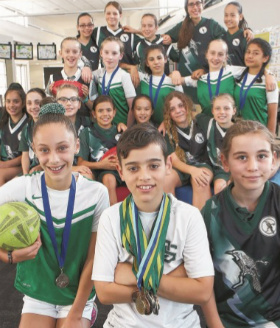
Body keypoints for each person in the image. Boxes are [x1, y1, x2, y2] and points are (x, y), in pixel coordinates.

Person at [92, 123, 214, 328]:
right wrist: (177, 277)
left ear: (168, 165)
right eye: (133, 168)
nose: (144, 176)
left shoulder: (189, 217)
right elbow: (104, 292)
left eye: (153, 166)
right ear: (120, 171)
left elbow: (202, 292)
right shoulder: (111, 218)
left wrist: (131, 274)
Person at [0, 103, 109, 328]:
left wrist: (77, 312)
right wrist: (5, 256)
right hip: (38, 293)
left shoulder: (96, 193)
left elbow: (93, 258)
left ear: (76, 145)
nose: (54, 159)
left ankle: (89, 312)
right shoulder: (23, 187)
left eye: (62, 148)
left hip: (78, 295)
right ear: (34, 150)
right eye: (44, 150)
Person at [201, 120, 280, 327]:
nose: (252, 166)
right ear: (224, 162)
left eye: (261, 156)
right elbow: (203, 280)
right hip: (226, 320)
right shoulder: (210, 213)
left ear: (274, 159)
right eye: (242, 157)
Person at [162, 91, 213, 210]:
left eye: (181, 106)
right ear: (169, 113)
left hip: (202, 165)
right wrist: (191, 170)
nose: (178, 111)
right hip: (182, 168)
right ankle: (170, 223)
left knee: (201, 180)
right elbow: (174, 160)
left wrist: (195, 171)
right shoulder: (167, 131)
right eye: (172, 109)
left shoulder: (201, 121)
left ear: (187, 105)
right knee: (165, 180)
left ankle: (200, 225)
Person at [78, 95, 123, 205]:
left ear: (114, 112)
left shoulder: (121, 131)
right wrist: (102, 165)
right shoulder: (86, 133)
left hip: (119, 172)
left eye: (108, 110)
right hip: (97, 172)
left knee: (110, 177)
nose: (105, 114)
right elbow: (81, 163)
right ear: (94, 114)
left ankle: (120, 216)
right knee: (108, 178)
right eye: (100, 111)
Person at [92, 1, 142, 87]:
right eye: (108, 13)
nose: (111, 16)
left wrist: (137, 31)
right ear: (104, 15)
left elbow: (153, 38)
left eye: (115, 13)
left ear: (120, 15)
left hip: (127, 78)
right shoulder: (98, 32)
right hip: (106, 78)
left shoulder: (129, 33)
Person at [234, 38, 279, 134]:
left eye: (255, 53)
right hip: (237, 132)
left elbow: (272, 116)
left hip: (258, 133)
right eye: (248, 52)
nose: (250, 56)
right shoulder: (238, 73)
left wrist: (269, 142)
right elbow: (218, 67)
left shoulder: (269, 82)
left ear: (265, 58)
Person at [89, 36, 136, 126]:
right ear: (101, 53)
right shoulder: (99, 74)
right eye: (106, 52)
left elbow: (132, 107)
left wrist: (128, 130)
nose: (110, 57)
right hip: (104, 126)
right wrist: (86, 67)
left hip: (121, 126)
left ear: (120, 56)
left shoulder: (124, 76)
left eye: (114, 53)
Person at [200, 93, 236, 194]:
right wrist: (165, 122)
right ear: (212, 111)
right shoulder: (207, 123)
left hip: (236, 169)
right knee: (220, 187)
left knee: (234, 187)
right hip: (218, 169)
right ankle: (217, 210)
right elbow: (185, 117)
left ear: (234, 111)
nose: (222, 112)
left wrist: (233, 177)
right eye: (217, 108)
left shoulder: (240, 130)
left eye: (226, 108)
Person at [56, 83, 94, 180]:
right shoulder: (51, 126)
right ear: (56, 103)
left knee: (86, 176)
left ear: (79, 104)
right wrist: (74, 168)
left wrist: (120, 125)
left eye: (73, 99)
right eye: (63, 100)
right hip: (59, 169)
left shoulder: (88, 122)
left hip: (85, 168)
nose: (69, 103)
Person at [139, 44, 183, 126]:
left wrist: (167, 122)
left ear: (165, 59)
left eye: (159, 58)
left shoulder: (173, 82)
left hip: (168, 127)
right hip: (146, 126)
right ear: (147, 63)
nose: (156, 62)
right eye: (151, 59)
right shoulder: (142, 79)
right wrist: (132, 68)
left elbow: (181, 108)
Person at [46, 37, 92, 113]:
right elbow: (46, 107)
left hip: (83, 123)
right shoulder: (53, 78)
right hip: (60, 123)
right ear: (60, 53)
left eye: (74, 52)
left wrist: (85, 99)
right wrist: (53, 96)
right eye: (67, 51)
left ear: (80, 54)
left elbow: (94, 108)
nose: (71, 55)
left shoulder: (88, 78)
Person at [0, 84, 28, 186]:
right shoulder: (3, 121)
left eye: (16, 101)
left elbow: (28, 155)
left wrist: (5, 165)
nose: (11, 105)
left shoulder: (29, 123)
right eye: (8, 101)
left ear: (23, 103)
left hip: (21, 165)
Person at [19, 88, 46, 175]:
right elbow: (25, 156)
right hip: (32, 171)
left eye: (37, 102)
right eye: (29, 103)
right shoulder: (26, 129)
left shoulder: (51, 125)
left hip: (49, 170)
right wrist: (25, 175)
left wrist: (41, 167)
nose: (33, 106)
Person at [222, 1, 249, 66]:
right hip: (227, 75)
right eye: (226, 15)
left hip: (243, 75)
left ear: (240, 17)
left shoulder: (245, 36)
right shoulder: (221, 39)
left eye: (232, 15)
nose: (228, 19)